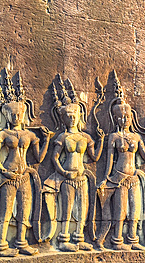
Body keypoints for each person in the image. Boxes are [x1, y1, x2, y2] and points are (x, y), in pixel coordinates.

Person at [0, 72, 51, 257]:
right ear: (5, 113)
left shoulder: (30, 135)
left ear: (24, 113)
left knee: (24, 212)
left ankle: (21, 242)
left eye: (19, 113)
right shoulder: (3, 134)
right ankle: (0, 245)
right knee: (6, 211)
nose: (16, 116)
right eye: (12, 113)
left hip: (25, 176)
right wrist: (3, 171)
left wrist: (47, 139)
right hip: (7, 177)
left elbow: (39, 158)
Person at [43, 77, 104, 252]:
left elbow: (94, 157)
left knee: (82, 208)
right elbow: (54, 158)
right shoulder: (62, 137)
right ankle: (63, 240)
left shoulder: (86, 137)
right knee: (67, 208)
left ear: (79, 117)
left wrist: (100, 141)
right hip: (67, 177)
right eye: (68, 116)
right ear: (63, 118)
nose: (71, 118)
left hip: (82, 177)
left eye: (74, 116)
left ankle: (79, 238)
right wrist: (63, 172)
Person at [95, 97, 145, 251]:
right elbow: (109, 160)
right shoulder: (114, 137)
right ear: (116, 119)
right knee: (121, 212)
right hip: (119, 178)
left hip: (134, 178)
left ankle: (133, 240)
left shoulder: (137, 137)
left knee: (134, 211)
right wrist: (105, 179)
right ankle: (117, 241)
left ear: (132, 117)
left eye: (127, 117)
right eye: (121, 117)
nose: (125, 120)